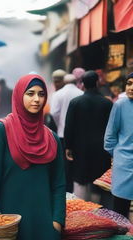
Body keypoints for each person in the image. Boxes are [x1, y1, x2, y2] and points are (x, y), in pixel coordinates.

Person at [0, 74, 66, 240]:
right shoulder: (2, 130)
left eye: (41, 94)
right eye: (30, 93)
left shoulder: (51, 138)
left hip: (44, 222)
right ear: (19, 95)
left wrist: (57, 221)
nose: (36, 99)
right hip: (9, 221)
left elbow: (59, 184)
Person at [64, 71, 112, 203]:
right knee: (98, 181)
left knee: (81, 179)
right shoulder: (107, 103)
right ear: (97, 83)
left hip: (80, 147)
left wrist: (68, 146)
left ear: (83, 84)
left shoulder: (75, 102)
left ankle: (81, 211)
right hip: (101, 148)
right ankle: (96, 210)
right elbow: (111, 129)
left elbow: (69, 126)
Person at [104, 72, 133, 218]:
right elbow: (110, 135)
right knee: (120, 212)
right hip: (123, 163)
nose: (131, 88)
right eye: (129, 83)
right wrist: (116, 155)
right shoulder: (120, 105)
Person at [50, 74, 83, 192]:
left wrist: (60, 124)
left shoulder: (57, 94)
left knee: (64, 164)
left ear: (64, 82)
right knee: (76, 162)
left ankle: (66, 189)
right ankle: (76, 189)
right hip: (78, 135)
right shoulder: (81, 94)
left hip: (62, 133)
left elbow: (53, 112)